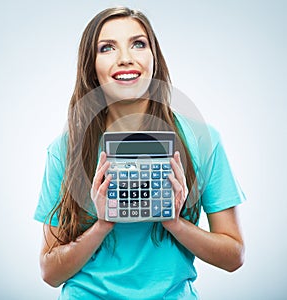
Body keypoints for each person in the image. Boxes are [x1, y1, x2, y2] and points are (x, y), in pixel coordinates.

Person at [34, 7, 245, 299]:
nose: (125, 58)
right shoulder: (66, 148)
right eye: (107, 47)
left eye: (138, 43)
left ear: (153, 57)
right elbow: (49, 272)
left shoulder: (202, 140)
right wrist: (103, 223)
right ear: (90, 66)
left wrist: (173, 221)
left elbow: (233, 256)